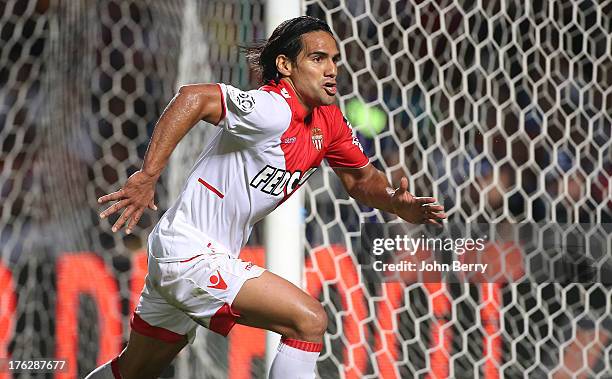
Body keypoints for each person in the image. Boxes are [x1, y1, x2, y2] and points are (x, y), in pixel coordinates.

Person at [86, 16, 446, 379]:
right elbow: (193, 97)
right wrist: (148, 176)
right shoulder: (272, 109)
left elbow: (361, 180)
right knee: (308, 320)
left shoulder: (329, 122)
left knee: (130, 373)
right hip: (189, 255)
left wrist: (397, 203)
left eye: (335, 59)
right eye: (318, 59)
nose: (332, 69)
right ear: (285, 65)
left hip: (190, 252)